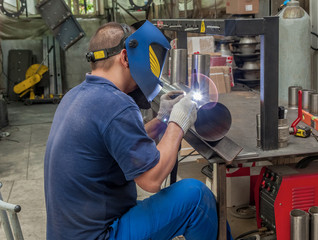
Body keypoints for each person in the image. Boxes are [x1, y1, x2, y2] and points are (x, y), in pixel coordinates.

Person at [44, 20, 220, 240]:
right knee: (196, 197)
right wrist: (178, 123)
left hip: (74, 231)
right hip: (102, 234)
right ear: (126, 57)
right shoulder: (115, 103)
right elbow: (151, 180)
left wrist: (162, 120)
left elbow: (120, 145)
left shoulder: (76, 95)